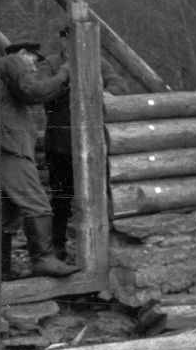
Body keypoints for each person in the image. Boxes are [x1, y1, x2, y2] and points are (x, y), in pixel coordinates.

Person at [0, 41, 82, 279]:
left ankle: (2, 271)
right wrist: (64, 73)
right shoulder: (11, 62)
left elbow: (40, 92)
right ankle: (44, 260)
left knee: (4, 214)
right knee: (37, 202)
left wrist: (61, 84)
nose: (33, 69)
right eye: (32, 62)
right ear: (23, 54)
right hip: (9, 145)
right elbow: (34, 92)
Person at [38, 26, 129, 261]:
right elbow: (43, 92)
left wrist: (104, 94)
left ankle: (103, 247)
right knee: (61, 198)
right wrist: (67, 82)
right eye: (70, 39)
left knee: (99, 195)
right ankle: (57, 248)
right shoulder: (50, 64)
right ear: (63, 40)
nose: (75, 44)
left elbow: (119, 85)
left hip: (93, 145)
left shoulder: (98, 62)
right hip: (61, 144)